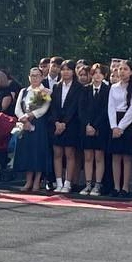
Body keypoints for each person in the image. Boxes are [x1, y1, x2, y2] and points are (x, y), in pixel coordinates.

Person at [107, 60, 132, 198]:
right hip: (115, 122)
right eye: (120, 69)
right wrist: (114, 126)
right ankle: (116, 187)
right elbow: (110, 107)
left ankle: (125, 187)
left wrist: (121, 127)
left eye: (125, 69)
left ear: (131, 71)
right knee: (115, 156)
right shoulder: (114, 87)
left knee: (126, 157)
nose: (122, 71)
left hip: (128, 123)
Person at [13, 67, 52, 193]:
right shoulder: (24, 91)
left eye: (37, 75)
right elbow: (17, 108)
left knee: (38, 152)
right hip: (24, 124)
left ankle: (37, 181)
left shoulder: (45, 91)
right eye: (32, 76)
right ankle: (28, 181)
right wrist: (24, 119)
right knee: (27, 152)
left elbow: (43, 109)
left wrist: (30, 115)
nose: (35, 78)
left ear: (42, 77)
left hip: (38, 124)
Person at [78, 64, 110, 196]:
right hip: (86, 128)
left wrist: (95, 126)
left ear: (104, 75)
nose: (97, 75)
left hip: (101, 128)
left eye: (100, 73)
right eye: (95, 72)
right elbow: (81, 109)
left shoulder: (107, 90)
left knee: (99, 157)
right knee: (88, 157)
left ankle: (97, 185)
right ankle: (88, 184)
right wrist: (87, 125)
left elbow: (106, 110)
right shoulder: (85, 89)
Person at [49, 61, 81, 193]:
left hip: (71, 125)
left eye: (68, 69)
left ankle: (68, 183)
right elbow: (53, 107)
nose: (65, 72)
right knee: (57, 153)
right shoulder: (56, 86)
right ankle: (59, 183)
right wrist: (57, 122)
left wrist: (64, 123)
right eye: (63, 69)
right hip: (56, 125)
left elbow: (75, 107)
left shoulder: (79, 87)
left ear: (73, 72)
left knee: (69, 154)